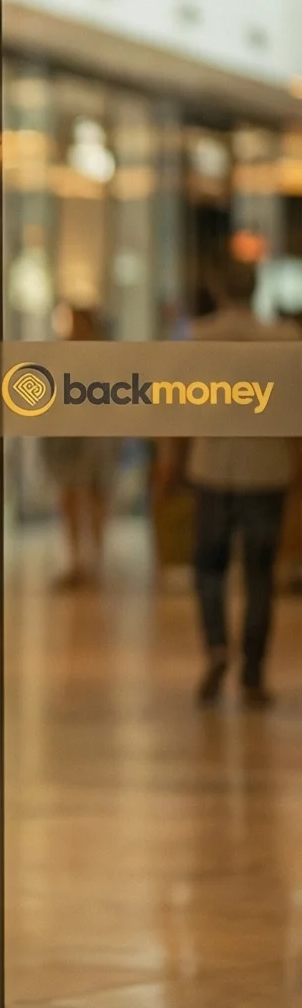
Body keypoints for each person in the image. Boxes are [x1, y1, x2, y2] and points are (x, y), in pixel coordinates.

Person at [178, 254, 299, 707]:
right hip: (266, 469)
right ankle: (252, 673)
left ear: (218, 289)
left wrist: (170, 461)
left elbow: (180, 403)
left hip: (212, 466)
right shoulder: (284, 339)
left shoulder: (199, 337)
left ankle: (216, 647)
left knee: (210, 567)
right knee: (260, 574)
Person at [40, 304, 115, 588]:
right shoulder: (62, 356)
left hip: (94, 437)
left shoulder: (102, 357)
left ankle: (94, 560)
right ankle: (76, 561)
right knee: (70, 498)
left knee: (95, 496)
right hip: (67, 438)